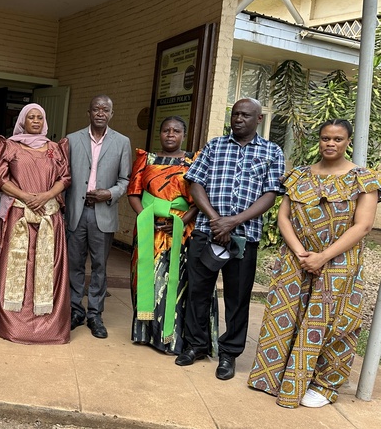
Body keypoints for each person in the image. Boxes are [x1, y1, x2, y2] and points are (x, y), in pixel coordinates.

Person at [248, 120, 380, 408]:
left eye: (337, 138)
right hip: (296, 260)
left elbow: (364, 225)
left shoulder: (363, 178)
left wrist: (323, 256)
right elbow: (283, 217)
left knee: (334, 322)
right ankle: (276, 376)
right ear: (318, 141)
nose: (330, 143)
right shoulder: (299, 176)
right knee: (286, 316)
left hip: (339, 262)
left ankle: (323, 385)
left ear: (348, 142)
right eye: (325, 138)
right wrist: (300, 252)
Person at [175, 98, 285, 381]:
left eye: (245, 115)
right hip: (205, 231)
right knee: (198, 291)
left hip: (244, 237)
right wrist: (215, 220)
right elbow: (195, 182)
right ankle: (196, 346)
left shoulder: (272, 151)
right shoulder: (214, 145)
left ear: (258, 119)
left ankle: (229, 354)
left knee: (237, 298)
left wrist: (233, 222)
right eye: (235, 114)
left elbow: (270, 194)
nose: (238, 119)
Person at [128, 116, 216, 355]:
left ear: (183, 135)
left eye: (176, 131)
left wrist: (182, 219)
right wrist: (147, 218)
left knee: (175, 282)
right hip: (149, 229)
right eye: (166, 130)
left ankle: (171, 338)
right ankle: (146, 333)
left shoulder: (193, 160)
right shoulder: (146, 159)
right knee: (146, 278)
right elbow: (133, 193)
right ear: (160, 133)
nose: (170, 134)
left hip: (182, 229)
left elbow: (201, 195)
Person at [0, 103, 72, 344]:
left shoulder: (55, 149)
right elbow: (0, 177)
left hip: (49, 216)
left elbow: (65, 178)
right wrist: (27, 197)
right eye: (31, 117)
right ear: (22, 121)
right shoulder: (10, 146)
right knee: (18, 265)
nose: (35, 121)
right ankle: (14, 324)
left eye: (39, 118)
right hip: (19, 215)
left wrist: (45, 196)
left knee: (48, 266)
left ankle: (49, 326)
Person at [65, 95, 131, 339]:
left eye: (105, 109)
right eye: (96, 109)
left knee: (101, 267)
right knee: (75, 264)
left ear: (111, 114)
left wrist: (109, 193)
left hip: (103, 213)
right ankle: (75, 310)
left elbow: (125, 180)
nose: (100, 113)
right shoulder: (72, 139)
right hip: (76, 213)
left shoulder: (122, 142)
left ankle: (95, 314)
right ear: (89, 112)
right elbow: (64, 176)